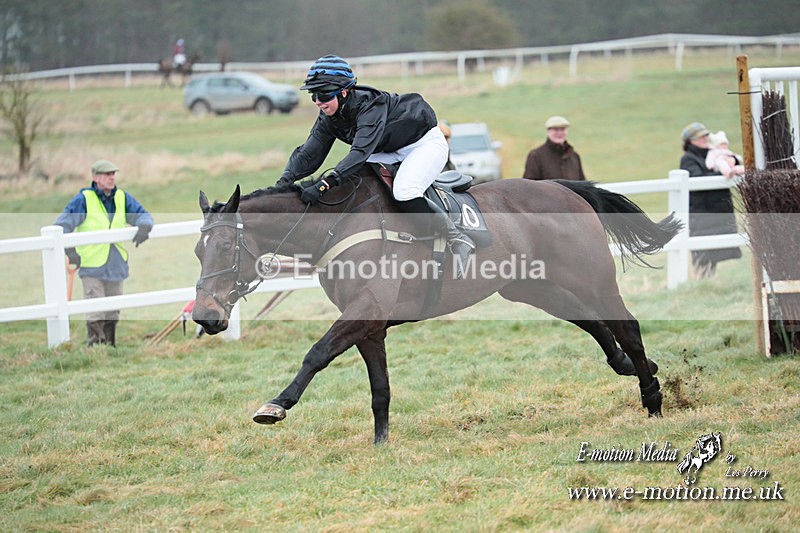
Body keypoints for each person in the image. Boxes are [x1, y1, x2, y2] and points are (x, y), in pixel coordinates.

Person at [275, 54, 474, 278]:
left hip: (422, 145)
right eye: (313, 96)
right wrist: (282, 183)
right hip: (383, 150)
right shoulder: (328, 116)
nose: (318, 102)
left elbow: (360, 152)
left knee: (404, 191)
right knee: (355, 187)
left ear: (344, 91)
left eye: (323, 94)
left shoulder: (370, 105)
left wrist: (324, 184)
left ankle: (456, 237)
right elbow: (309, 154)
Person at [55, 160, 154, 346]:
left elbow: (143, 214)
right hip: (92, 264)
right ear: (95, 177)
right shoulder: (83, 200)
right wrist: (70, 251)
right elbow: (61, 227)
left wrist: (144, 226)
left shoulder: (122, 198)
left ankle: (110, 346)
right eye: (107, 174)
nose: (111, 178)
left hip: (116, 262)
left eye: (113, 174)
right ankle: (95, 346)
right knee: (95, 308)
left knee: (113, 308)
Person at [679, 122, 741, 278]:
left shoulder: (712, 153)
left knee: (714, 249)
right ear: (690, 141)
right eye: (700, 137)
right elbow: (697, 179)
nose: (705, 139)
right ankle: (704, 281)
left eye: (705, 136)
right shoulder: (688, 158)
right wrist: (723, 176)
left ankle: (711, 283)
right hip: (703, 211)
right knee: (704, 252)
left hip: (715, 209)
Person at [522, 115, 586, 181]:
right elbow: (529, 185)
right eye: (556, 129)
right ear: (548, 131)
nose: (560, 133)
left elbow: (582, 184)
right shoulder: (536, 155)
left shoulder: (574, 156)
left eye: (562, 129)